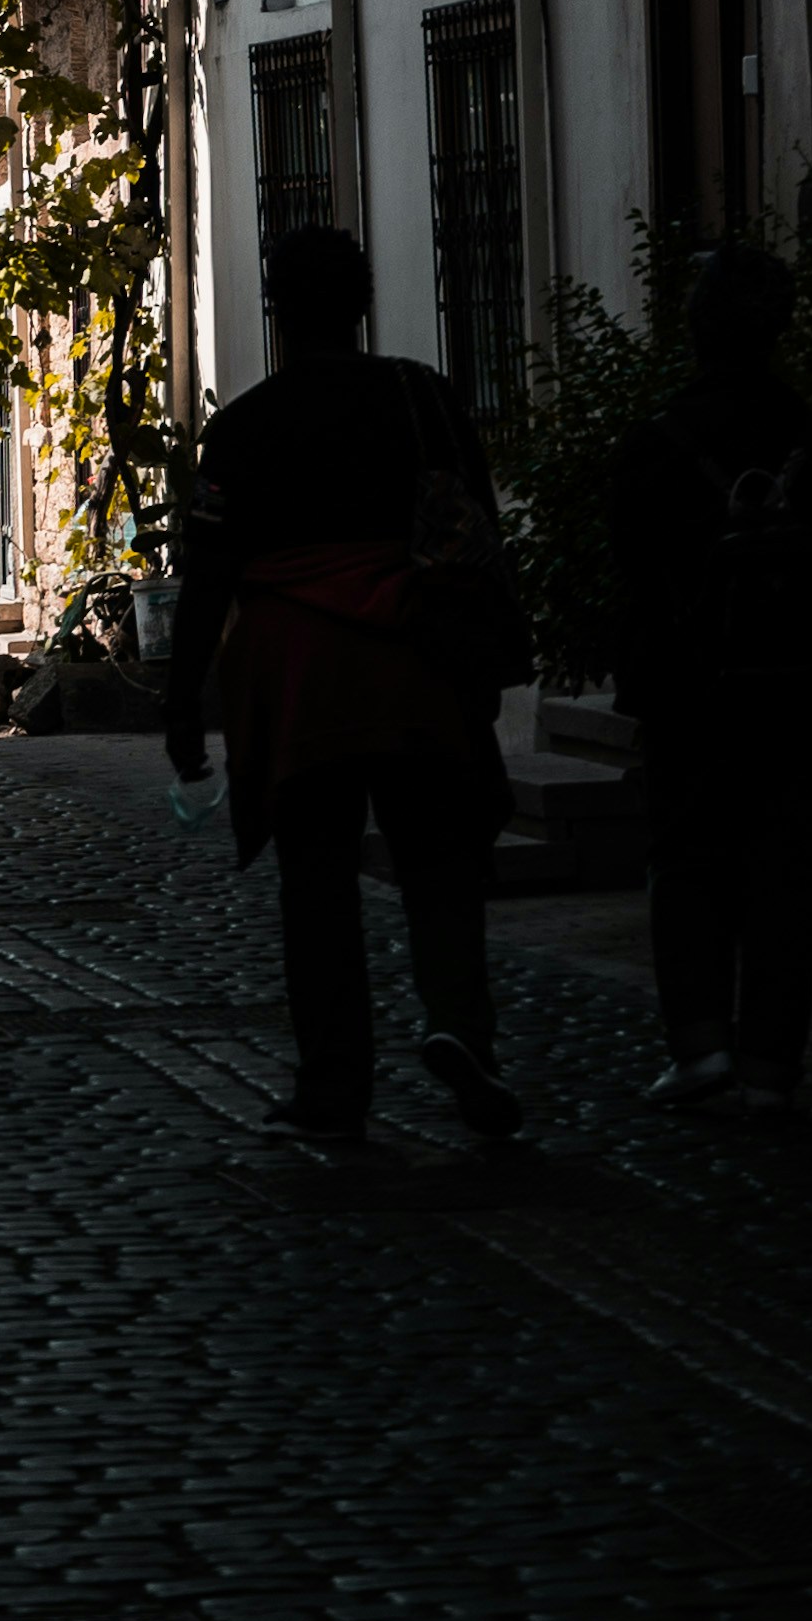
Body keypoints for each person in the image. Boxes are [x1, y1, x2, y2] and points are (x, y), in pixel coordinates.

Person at [166, 218, 523, 1149]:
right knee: (440, 861)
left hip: (300, 685)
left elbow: (206, 578)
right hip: (414, 662)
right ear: (363, 306)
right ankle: (460, 1026)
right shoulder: (425, 398)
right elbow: (476, 533)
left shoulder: (242, 430)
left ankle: (334, 1082)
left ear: (277, 310)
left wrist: (181, 707)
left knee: (316, 882)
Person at [610, 237, 812, 1112]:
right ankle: (770, 1064)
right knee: (785, 874)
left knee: (686, 864)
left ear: (694, 329)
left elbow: (630, 572)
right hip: (796, 690)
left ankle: (700, 1046)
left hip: (690, 693)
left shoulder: (656, 444)